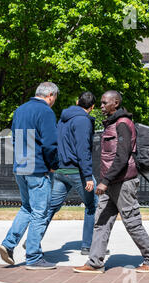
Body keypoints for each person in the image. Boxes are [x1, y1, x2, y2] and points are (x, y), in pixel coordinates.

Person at [73, 90, 149, 274]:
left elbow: (122, 157)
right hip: (111, 183)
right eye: (101, 103)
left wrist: (104, 181)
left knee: (132, 223)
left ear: (116, 103)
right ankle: (95, 262)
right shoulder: (112, 123)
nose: (101, 106)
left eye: (105, 102)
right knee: (101, 222)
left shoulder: (123, 124)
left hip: (122, 183)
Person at [0, 82, 59, 270]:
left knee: (27, 208)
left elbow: (14, 139)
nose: (54, 102)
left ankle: (8, 245)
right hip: (38, 168)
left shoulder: (20, 110)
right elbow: (50, 143)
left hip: (21, 166)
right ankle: (33, 257)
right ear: (50, 95)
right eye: (54, 98)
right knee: (40, 212)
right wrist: (53, 165)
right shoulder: (46, 112)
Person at [46, 91, 102, 255]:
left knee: (51, 208)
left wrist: (54, 165)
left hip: (61, 171)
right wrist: (87, 176)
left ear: (77, 101)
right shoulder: (83, 121)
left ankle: (33, 241)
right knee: (92, 206)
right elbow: (83, 150)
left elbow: (55, 143)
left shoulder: (62, 119)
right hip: (77, 172)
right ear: (91, 107)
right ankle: (87, 246)